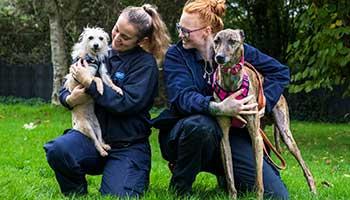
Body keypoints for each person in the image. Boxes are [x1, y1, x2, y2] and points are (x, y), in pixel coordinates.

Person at [152, 0, 290, 199]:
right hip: (189, 129)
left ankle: (226, 176)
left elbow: (280, 72)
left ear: (207, 31)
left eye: (186, 30)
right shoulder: (177, 55)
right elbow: (182, 97)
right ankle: (180, 187)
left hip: (233, 134)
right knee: (200, 126)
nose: (180, 34)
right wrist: (218, 107)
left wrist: (263, 103)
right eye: (179, 28)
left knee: (277, 195)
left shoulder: (239, 49)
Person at [44, 4, 170, 198]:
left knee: (117, 196)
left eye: (125, 37)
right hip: (91, 138)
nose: (117, 38)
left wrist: (90, 84)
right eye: (116, 29)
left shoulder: (145, 64)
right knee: (58, 150)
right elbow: (67, 86)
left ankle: (129, 174)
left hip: (128, 146)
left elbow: (126, 103)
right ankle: (76, 193)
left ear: (141, 40)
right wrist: (68, 99)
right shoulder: (98, 51)